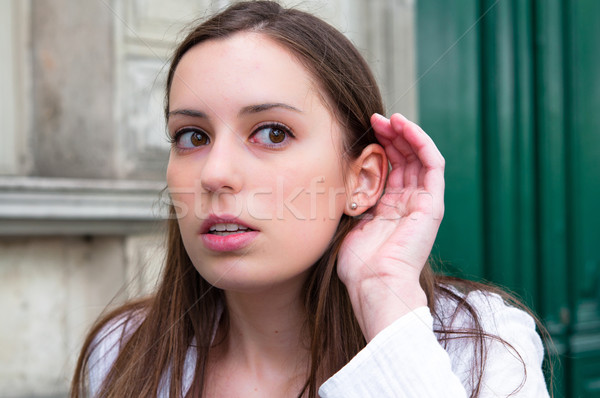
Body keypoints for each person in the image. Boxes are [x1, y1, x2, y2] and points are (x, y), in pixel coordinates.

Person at [71, 1, 551, 397]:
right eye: (192, 136)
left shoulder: (481, 347)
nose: (214, 173)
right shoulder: (123, 353)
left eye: (272, 132)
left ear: (361, 180)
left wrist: (383, 299)